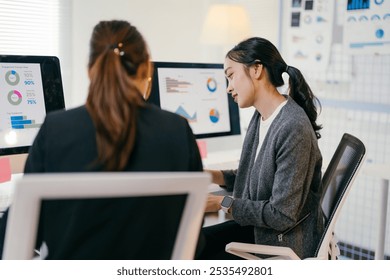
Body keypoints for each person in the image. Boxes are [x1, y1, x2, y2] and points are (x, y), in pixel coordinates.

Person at [0, 20, 203, 259]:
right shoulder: (177, 130)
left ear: (90, 70)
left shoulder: (58, 129)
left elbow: (20, 231)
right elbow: (193, 235)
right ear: (146, 70)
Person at [197, 37, 323, 259]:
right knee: (195, 244)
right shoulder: (262, 116)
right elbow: (254, 180)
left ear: (256, 69)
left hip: (282, 242)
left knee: (196, 253)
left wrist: (221, 202)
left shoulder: (292, 127)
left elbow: (282, 214)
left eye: (231, 75)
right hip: (263, 232)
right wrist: (209, 175)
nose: (228, 87)